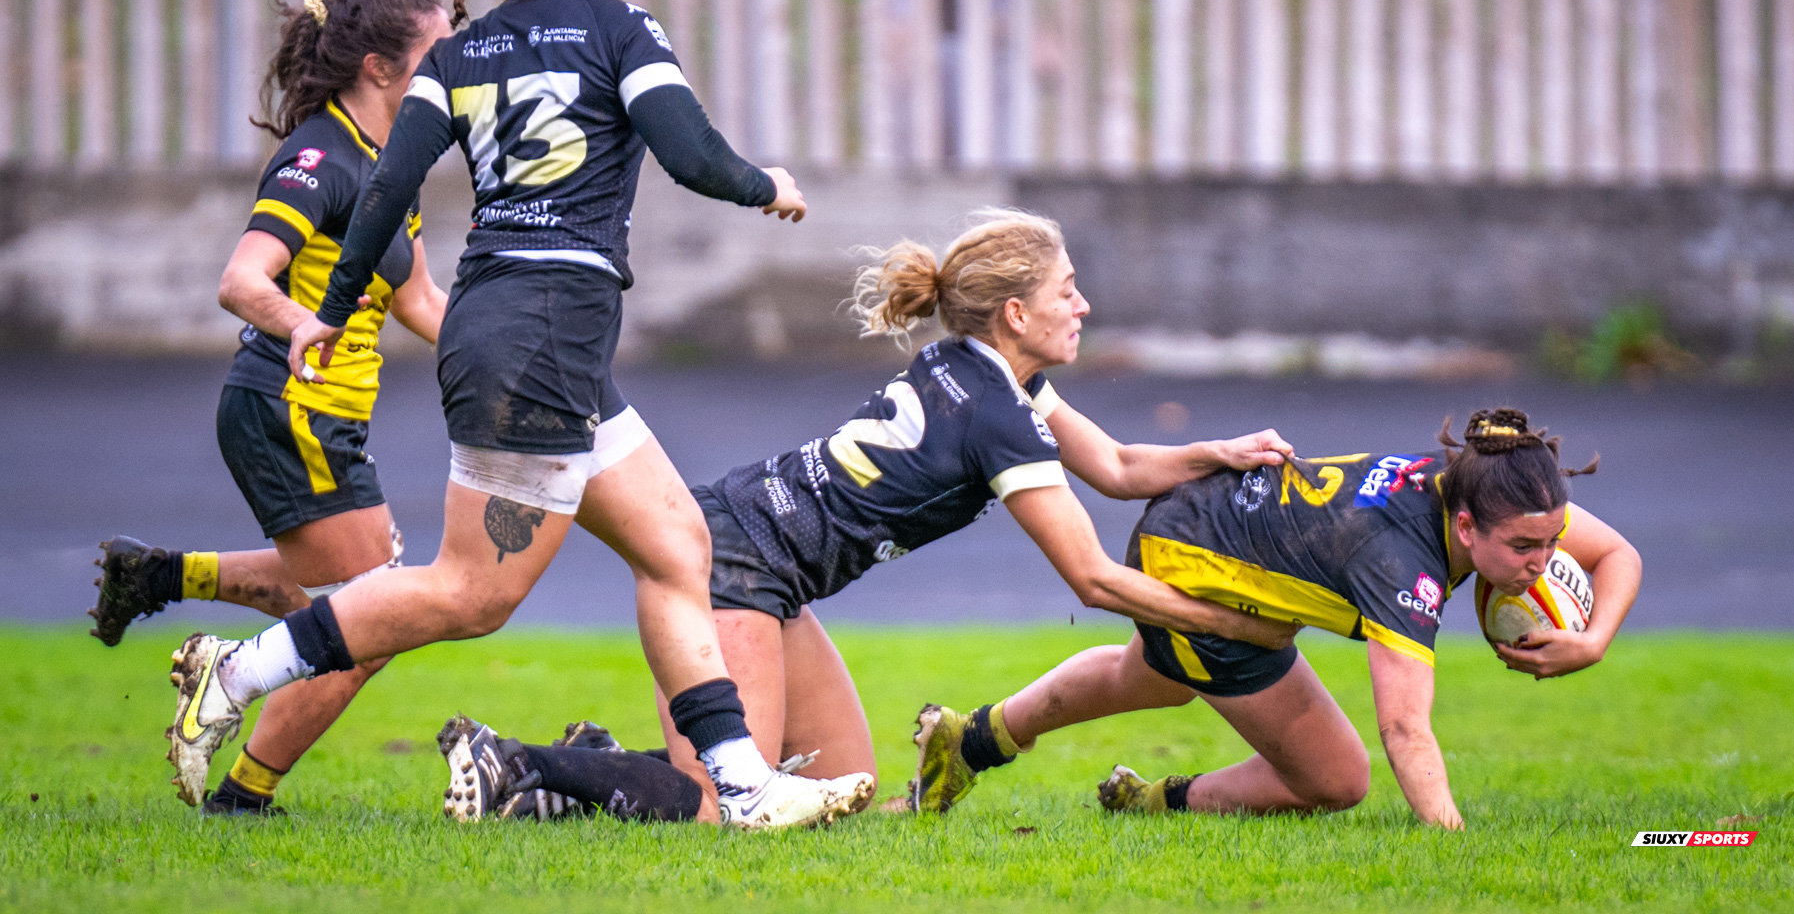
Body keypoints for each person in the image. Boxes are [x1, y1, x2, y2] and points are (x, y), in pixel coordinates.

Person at [162, 0, 871, 831]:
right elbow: (692, 154)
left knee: (677, 547)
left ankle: (744, 784)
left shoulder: (461, 52)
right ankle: (237, 674)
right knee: (469, 593)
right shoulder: (623, 29)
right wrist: (771, 189)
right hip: (542, 341)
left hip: (523, 338)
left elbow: (384, 194)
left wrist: (326, 309)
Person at [432, 210, 1306, 824]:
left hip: (767, 566)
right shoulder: (998, 414)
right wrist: (1230, 622)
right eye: (1068, 291)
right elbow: (1092, 579)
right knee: (724, 808)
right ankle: (519, 761)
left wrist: (1217, 451)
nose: (1082, 306)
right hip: (732, 563)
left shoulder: (987, 369)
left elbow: (1117, 467)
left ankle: (597, 763)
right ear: (1016, 312)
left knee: (843, 779)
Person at [908, 408, 1643, 829]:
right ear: (1465, 527)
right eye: (1523, 548)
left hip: (1202, 522)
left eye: (1552, 540)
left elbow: (1619, 556)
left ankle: (969, 740)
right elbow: (1404, 729)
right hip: (1200, 567)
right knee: (1337, 777)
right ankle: (1161, 802)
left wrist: (1594, 641)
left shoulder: (1490, 487)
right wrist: (1452, 839)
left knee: (1154, 678)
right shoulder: (1404, 565)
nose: (1543, 562)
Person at [89, 0, 450, 814]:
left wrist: (513, 348)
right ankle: (242, 798)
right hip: (288, 411)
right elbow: (241, 277)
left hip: (324, 421)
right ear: (380, 68)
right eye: (438, 55)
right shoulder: (320, 158)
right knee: (370, 624)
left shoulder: (394, 164)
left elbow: (422, 301)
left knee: (334, 609)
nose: (455, 70)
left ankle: (159, 576)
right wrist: (295, 324)